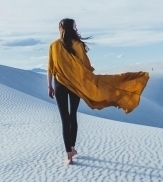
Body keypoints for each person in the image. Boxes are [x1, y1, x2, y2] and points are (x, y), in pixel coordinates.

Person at [47, 18, 150, 165]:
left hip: (59, 85)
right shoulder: (77, 44)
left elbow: (50, 68)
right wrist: (90, 79)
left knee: (64, 118)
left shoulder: (53, 45)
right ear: (72, 28)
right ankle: (72, 148)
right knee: (72, 115)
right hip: (77, 85)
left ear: (61, 28)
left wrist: (49, 86)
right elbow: (85, 66)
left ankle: (68, 155)